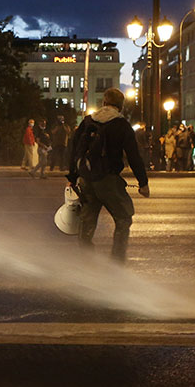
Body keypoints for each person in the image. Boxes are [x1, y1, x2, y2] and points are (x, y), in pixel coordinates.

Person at [67, 88, 150, 263]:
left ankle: (87, 262)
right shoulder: (121, 124)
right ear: (121, 106)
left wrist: (72, 177)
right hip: (108, 181)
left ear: (104, 103)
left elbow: (74, 148)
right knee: (123, 218)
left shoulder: (88, 120)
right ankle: (116, 263)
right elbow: (133, 155)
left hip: (86, 179)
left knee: (87, 222)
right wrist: (143, 182)